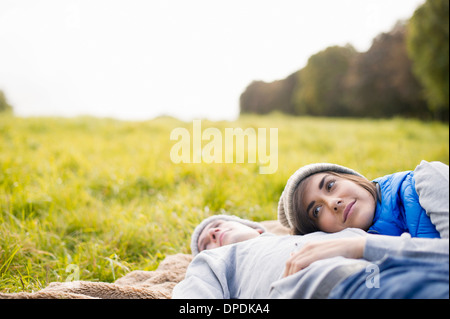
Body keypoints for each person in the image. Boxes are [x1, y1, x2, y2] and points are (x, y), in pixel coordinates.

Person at [172, 214, 449, 299]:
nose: (213, 233)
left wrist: (360, 246)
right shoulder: (214, 261)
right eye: (205, 242)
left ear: (256, 228)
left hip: (407, 269)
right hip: (344, 288)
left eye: (219, 225)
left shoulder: (322, 235)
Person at [277, 160, 449, 238]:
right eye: (317, 211)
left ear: (351, 177)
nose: (332, 203)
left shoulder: (424, 178)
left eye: (330, 186)